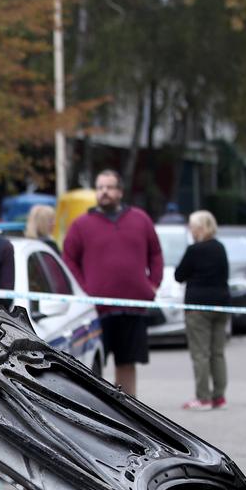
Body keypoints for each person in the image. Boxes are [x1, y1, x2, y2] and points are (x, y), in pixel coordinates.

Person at [62, 169, 164, 398]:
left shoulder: (140, 219)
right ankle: (100, 415)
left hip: (133, 306)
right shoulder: (81, 225)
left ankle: (129, 412)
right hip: (96, 309)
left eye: (109, 188)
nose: (104, 192)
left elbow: (155, 253)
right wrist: (84, 290)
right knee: (92, 366)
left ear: (120, 191)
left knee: (127, 362)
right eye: (99, 188)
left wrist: (153, 285)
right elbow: (68, 259)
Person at [174, 210, 229, 410]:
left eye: (192, 226)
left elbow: (179, 275)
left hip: (197, 306)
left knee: (200, 353)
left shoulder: (194, 250)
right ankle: (219, 395)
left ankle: (203, 397)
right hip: (221, 304)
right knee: (218, 352)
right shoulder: (220, 248)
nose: (190, 230)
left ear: (199, 228)